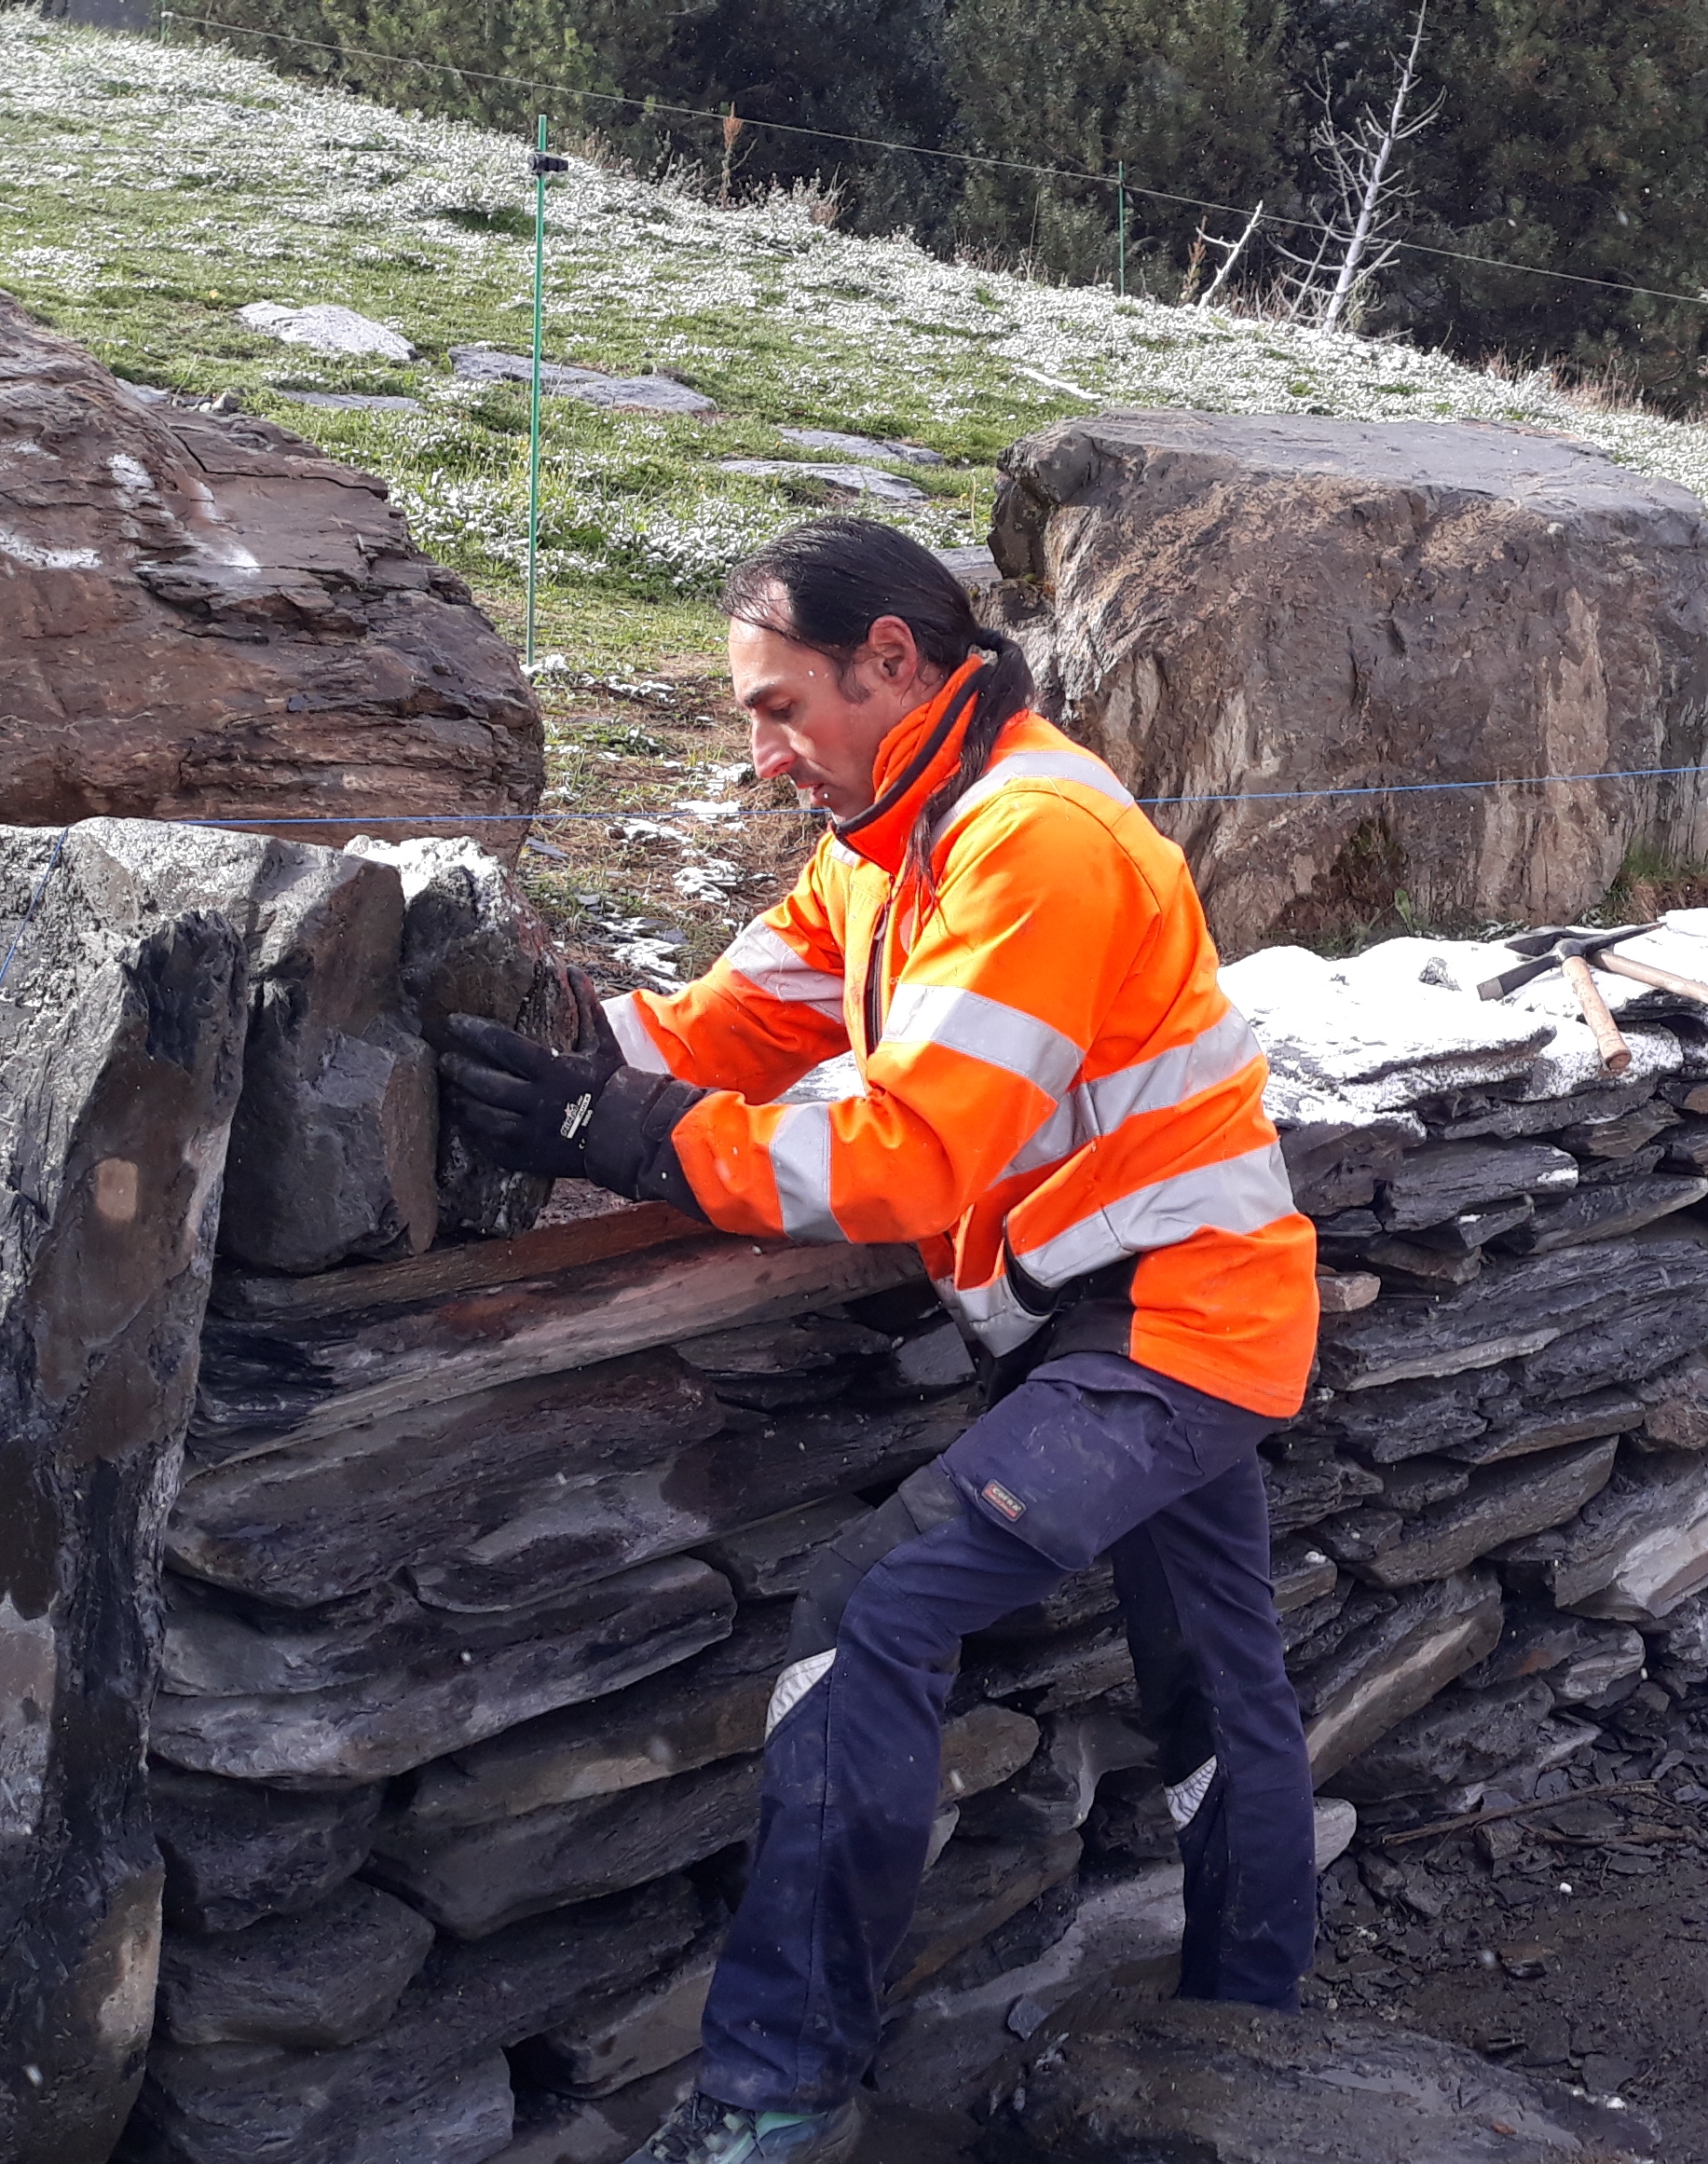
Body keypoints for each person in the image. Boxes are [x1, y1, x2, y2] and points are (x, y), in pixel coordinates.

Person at [439, 517, 1319, 2164]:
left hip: (1175, 1328)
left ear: (893, 665)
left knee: (871, 1606)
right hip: (1098, 1323)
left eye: (779, 708)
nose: (761, 753)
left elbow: (912, 1154)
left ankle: (775, 2090)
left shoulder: (1033, 842)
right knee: (1219, 1688)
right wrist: (530, 1055)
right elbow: (722, 1026)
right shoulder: (883, 840)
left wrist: (629, 1139)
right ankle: (1252, 2043)